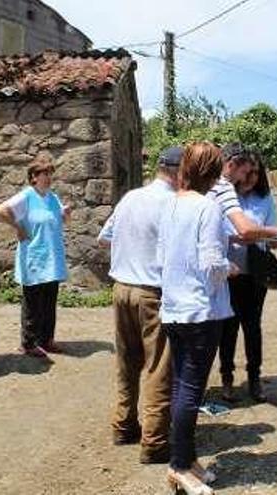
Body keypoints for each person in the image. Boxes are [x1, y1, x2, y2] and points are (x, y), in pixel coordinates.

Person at [97, 146, 180, 464]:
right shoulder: (172, 203)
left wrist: (132, 248)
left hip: (121, 290)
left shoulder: (131, 197)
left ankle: (123, 426)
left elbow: (105, 237)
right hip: (151, 292)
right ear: (177, 172)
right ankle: (155, 442)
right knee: (159, 367)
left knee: (126, 362)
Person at [158, 142, 232, 495]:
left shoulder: (170, 204)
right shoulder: (209, 207)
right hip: (202, 310)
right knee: (190, 390)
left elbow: (162, 258)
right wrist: (228, 269)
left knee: (180, 387)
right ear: (215, 174)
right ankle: (178, 466)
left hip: (174, 308)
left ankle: (187, 459)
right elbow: (211, 261)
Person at [0, 156, 70, 358]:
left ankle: (46, 339)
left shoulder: (53, 198)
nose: (48, 177)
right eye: (44, 174)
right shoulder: (27, 196)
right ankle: (28, 343)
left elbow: (57, 218)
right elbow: (1, 211)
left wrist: (65, 215)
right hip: (34, 258)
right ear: (33, 177)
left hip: (52, 259)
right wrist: (18, 227)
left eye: (49, 174)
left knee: (49, 301)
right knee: (33, 303)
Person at [218, 151, 277, 403]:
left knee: (253, 327)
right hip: (228, 271)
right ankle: (227, 377)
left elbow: (274, 239)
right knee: (227, 327)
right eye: (248, 172)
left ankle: (254, 378)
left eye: (256, 173)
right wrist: (236, 236)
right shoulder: (224, 195)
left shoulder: (264, 199)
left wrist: (258, 236)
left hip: (254, 272)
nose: (251, 178)